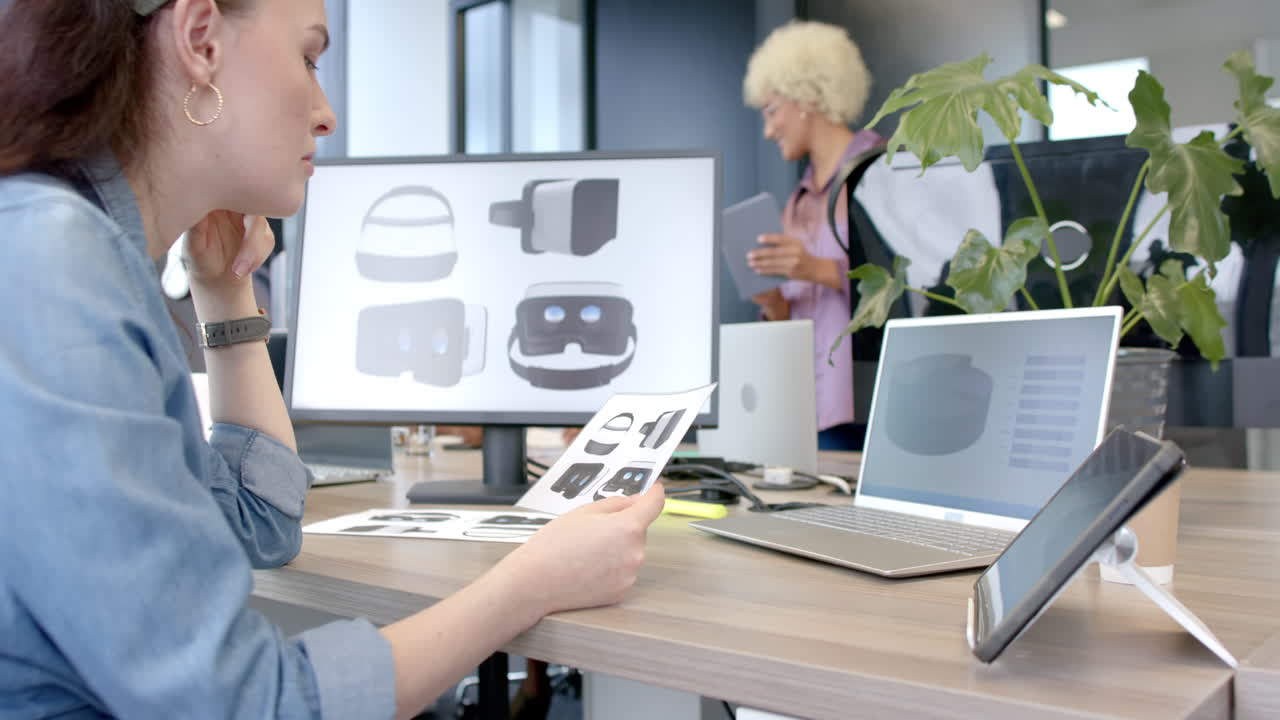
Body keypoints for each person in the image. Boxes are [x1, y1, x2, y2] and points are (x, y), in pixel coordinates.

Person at [0, 1, 665, 719]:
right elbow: (253, 704)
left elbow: (256, 521)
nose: (327, 114)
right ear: (200, 40)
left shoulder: (83, 251)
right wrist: (528, 585)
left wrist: (224, 294)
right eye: (309, 58)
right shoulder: (52, 263)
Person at [742, 21, 885, 451]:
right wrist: (773, 303)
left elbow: (909, 287)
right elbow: (796, 315)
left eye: (771, 110)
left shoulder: (881, 171)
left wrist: (815, 268)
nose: (768, 130)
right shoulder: (799, 199)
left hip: (866, 397)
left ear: (806, 98)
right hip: (808, 405)